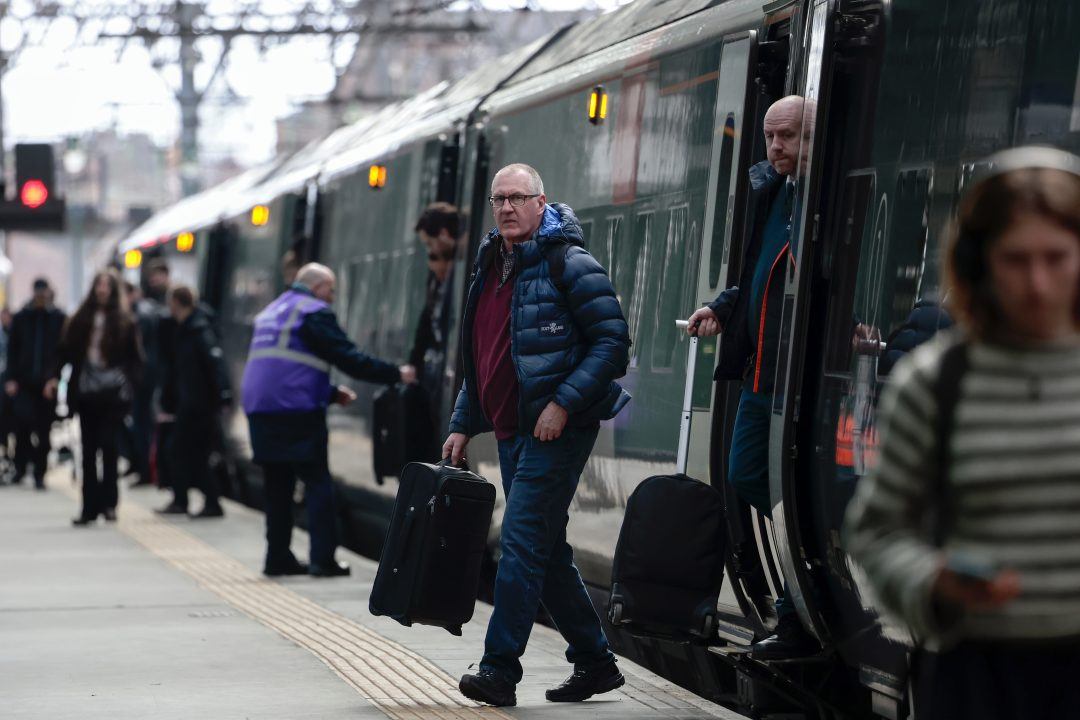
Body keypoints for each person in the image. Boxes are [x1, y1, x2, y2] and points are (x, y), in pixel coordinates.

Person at [843, 147, 1080, 720]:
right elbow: (876, 529)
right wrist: (932, 582)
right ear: (978, 265)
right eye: (1015, 260)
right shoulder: (936, 383)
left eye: (1056, 258)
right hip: (977, 677)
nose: (1038, 283)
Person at [445, 163, 632, 707]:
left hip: (556, 431)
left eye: (516, 198)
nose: (505, 208)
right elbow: (483, 358)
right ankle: (595, 663)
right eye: (497, 199)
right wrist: (463, 421)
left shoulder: (570, 263)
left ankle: (499, 670)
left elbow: (613, 344)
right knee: (545, 552)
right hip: (510, 430)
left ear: (541, 202)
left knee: (520, 546)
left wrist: (563, 404)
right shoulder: (491, 264)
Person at [684, 95, 818, 658]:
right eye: (769, 137)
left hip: (800, 379)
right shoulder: (775, 194)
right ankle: (806, 574)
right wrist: (722, 306)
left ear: (817, 133)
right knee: (745, 474)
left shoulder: (825, 197)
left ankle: (797, 606)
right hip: (762, 375)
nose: (775, 148)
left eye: (787, 136)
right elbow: (757, 274)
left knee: (793, 494)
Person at [240, 263, 417, 577]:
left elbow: (283, 366)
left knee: (277, 485)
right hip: (295, 412)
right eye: (331, 291)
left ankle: (277, 558)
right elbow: (347, 356)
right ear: (318, 286)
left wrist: (331, 392)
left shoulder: (273, 311)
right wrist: (396, 374)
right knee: (317, 481)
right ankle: (324, 559)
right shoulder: (313, 311)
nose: (332, 298)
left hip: (261, 410)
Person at [48, 270, 143, 525]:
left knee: (109, 448)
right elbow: (64, 352)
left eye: (107, 285)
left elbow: (136, 359)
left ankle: (109, 504)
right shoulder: (80, 319)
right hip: (87, 394)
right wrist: (55, 377)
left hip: (113, 395)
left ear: (114, 290)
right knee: (88, 451)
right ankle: (89, 507)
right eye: (99, 285)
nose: (102, 289)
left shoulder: (124, 321)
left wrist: (130, 385)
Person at [156, 286, 231, 518]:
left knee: (182, 451)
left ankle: (197, 501)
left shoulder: (197, 331)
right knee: (188, 453)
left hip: (198, 405)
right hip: (192, 402)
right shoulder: (187, 329)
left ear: (177, 303)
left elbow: (213, 365)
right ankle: (197, 500)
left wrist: (221, 395)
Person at [4, 279, 66, 489]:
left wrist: (55, 377)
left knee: (44, 430)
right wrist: (11, 378)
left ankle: (40, 472)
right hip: (24, 382)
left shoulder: (57, 318)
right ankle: (20, 468)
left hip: (47, 385)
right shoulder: (22, 318)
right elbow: (13, 350)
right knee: (21, 426)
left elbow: (62, 353)